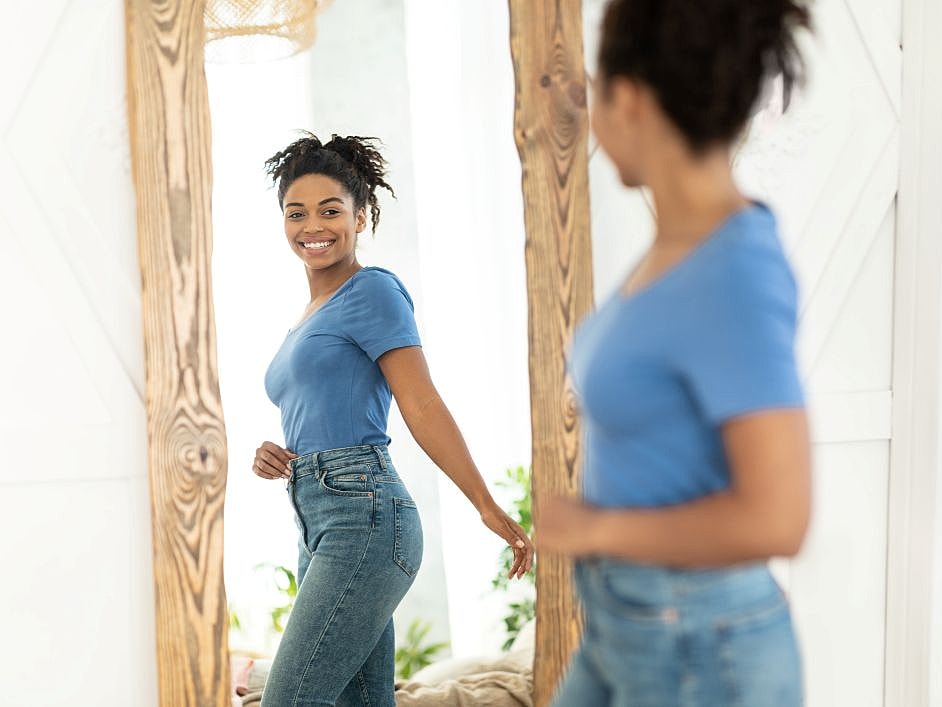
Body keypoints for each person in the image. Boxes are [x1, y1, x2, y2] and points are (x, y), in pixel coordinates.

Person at [535, 1, 813, 705]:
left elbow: (778, 517)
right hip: (629, 621)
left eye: (599, 94)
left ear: (626, 99)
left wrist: (594, 525)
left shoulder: (731, 274)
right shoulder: (677, 247)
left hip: (699, 640)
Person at [252, 133, 534, 707]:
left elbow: (421, 403)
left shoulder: (372, 291)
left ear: (360, 217)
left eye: (331, 210)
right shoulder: (307, 318)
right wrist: (275, 454)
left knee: (290, 699)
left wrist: (483, 502)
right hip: (316, 515)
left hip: (365, 516)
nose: (314, 225)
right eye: (296, 213)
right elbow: (321, 408)